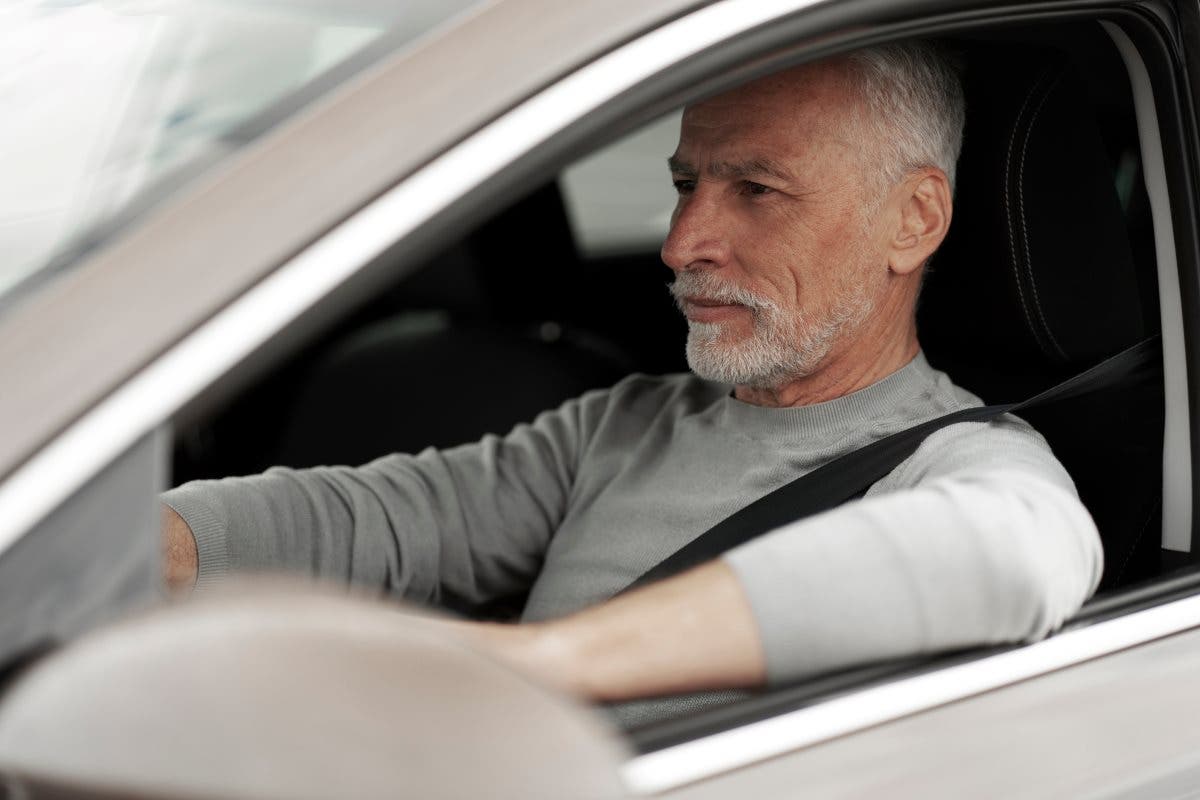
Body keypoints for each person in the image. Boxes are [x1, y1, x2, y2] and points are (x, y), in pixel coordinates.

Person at [161, 42, 1101, 724]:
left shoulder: (963, 459)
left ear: (914, 220)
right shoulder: (627, 422)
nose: (681, 242)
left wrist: (541, 663)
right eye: (687, 183)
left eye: (756, 190)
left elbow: (1020, 554)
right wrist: (102, 553)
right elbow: (368, 522)